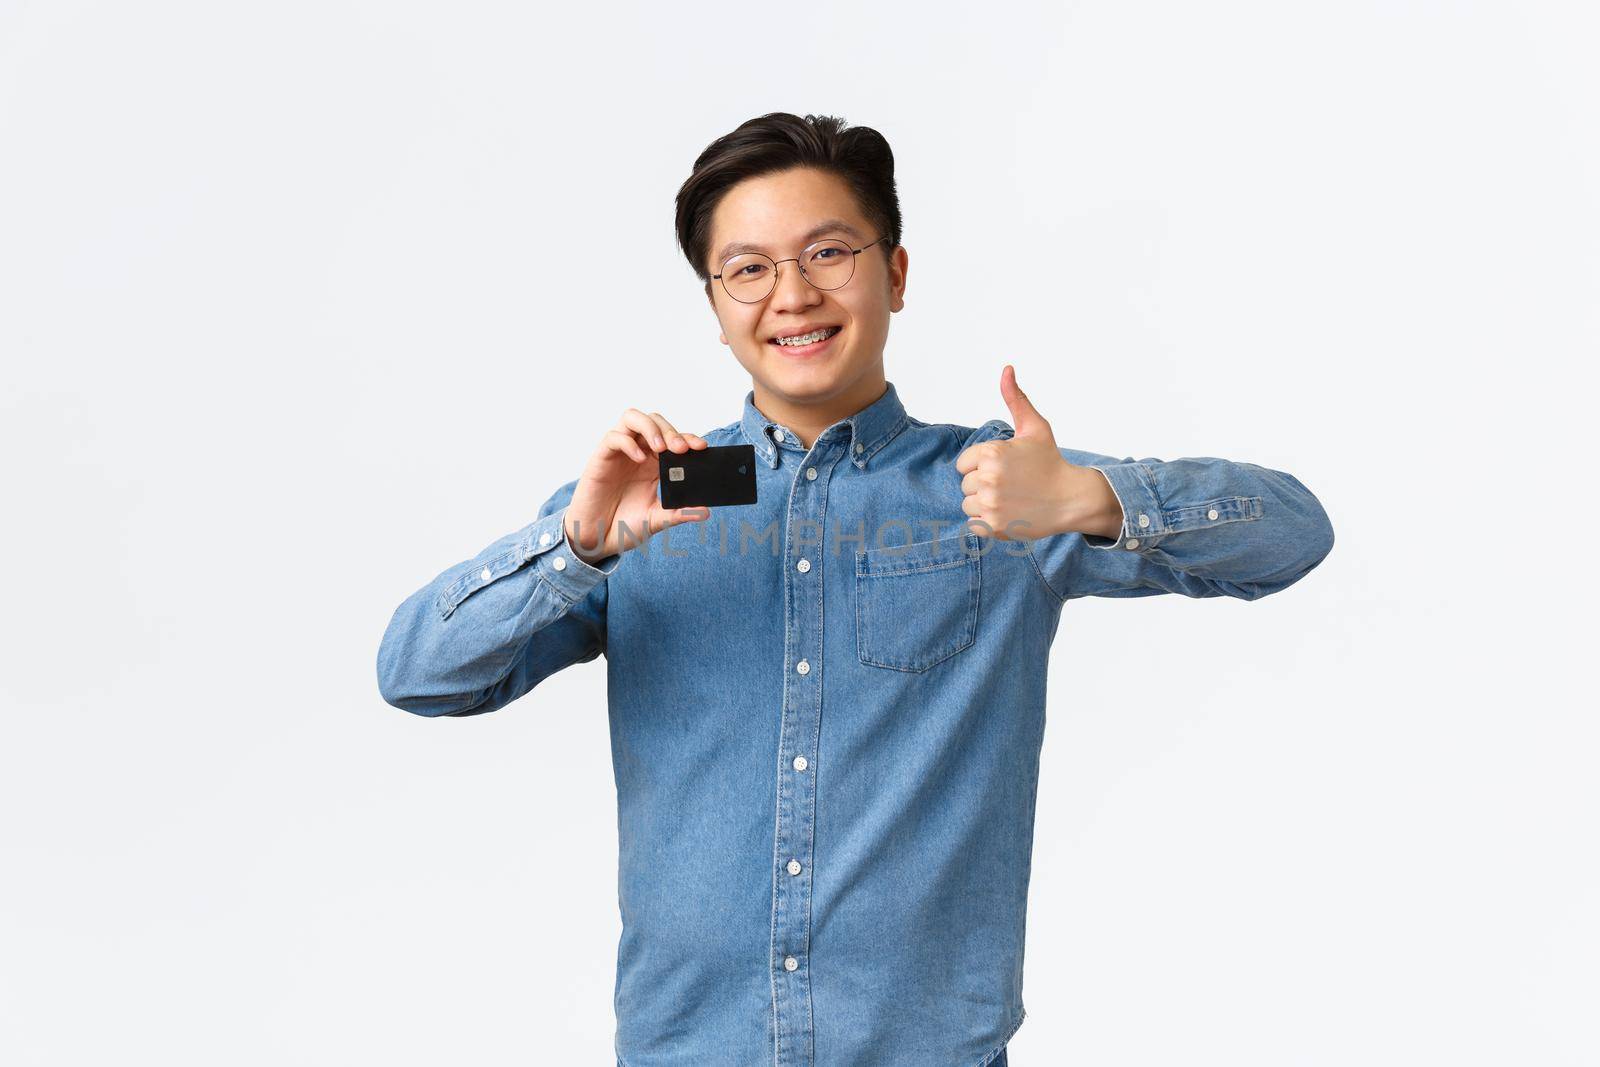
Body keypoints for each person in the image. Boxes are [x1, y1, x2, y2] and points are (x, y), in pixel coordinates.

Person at [375, 111, 1335, 1067]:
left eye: (828, 251)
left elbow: (1294, 533)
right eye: (748, 268)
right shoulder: (642, 502)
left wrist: (1091, 498)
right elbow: (417, 672)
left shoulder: (999, 488)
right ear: (716, 306)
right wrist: (575, 547)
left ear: (897, 275)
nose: (792, 295)